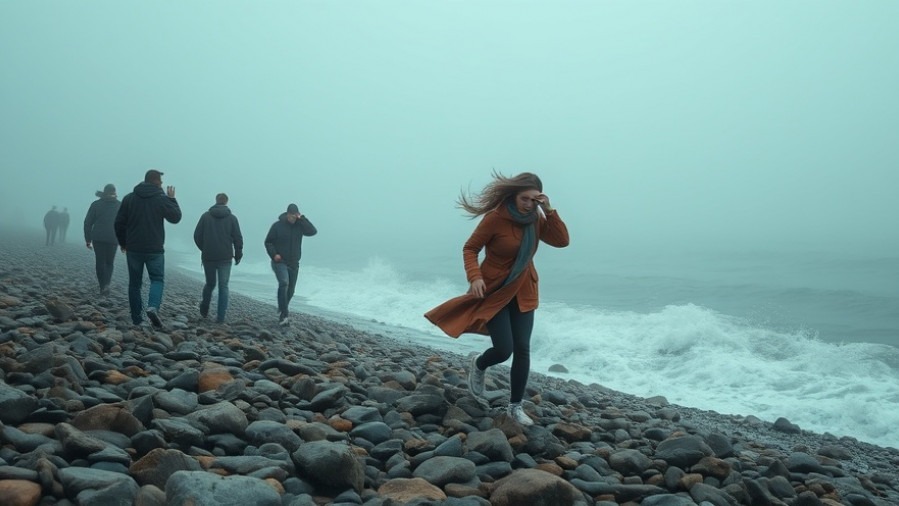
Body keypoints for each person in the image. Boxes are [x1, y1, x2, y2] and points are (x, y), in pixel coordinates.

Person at [424, 171, 569, 426]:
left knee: (523, 348)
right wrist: (475, 277)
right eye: (525, 198)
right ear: (513, 195)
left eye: (535, 199)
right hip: (495, 290)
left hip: (524, 291)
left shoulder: (536, 218)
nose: (529, 204)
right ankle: (479, 364)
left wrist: (549, 210)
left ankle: (515, 407)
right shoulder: (495, 218)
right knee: (504, 349)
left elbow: (561, 241)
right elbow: (470, 248)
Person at [114, 169, 182, 328]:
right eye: (161, 181)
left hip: (134, 247)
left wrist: (123, 243)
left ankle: (137, 319)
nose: (163, 184)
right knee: (157, 279)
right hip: (154, 248)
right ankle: (152, 307)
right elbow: (175, 218)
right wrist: (172, 199)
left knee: (134, 284)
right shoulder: (162, 198)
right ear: (156, 181)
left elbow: (119, 223)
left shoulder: (129, 198)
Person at [193, 193, 244, 323]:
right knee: (223, 286)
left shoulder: (205, 216)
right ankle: (220, 318)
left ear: (216, 201)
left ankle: (205, 306)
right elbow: (238, 238)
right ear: (226, 202)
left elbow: (197, 235)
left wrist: (204, 248)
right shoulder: (232, 218)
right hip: (225, 257)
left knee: (210, 283)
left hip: (208, 256)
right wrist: (238, 254)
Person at [264, 203, 317, 326]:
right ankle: (284, 315)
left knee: (291, 290)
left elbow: (313, 231)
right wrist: (274, 254)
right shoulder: (277, 226)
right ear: (287, 214)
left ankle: (282, 306)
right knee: (284, 283)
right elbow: (268, 242)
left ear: (297, 215)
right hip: (279, 261)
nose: (292, 218)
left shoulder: (300, 226)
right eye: (291, 215)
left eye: (295, 215)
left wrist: (302, 219)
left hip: (294, 262)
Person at [84, 184, 121, 295]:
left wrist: (88, 239)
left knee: (100, 262)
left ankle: (103, 286)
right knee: (109, 263)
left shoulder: (96, 205)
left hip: (98, 237)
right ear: (115, 192)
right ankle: (106, 284)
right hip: (113, 238)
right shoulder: (120, 205)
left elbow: (87, 223)